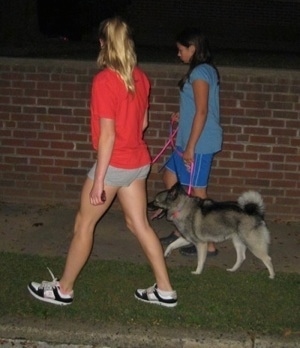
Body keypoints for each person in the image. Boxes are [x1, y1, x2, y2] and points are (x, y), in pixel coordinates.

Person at [27, 17, 177, 308]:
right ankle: (165, 290)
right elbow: (144, 122)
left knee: (84, 224)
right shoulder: (141, 77)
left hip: (114, 166)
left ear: (102, 44)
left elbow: (107, 136)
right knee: (139, 225)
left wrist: (99, 181)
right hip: (138, 163)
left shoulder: (105, 80)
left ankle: (64, 289)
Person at [150, 27, 223, 257]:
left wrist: (191, 148)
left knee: (198, 192)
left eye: (181, 50)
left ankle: (209, 244)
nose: (179, 54)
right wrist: (183, 115)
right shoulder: (201, 71)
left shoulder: (201, 72)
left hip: (198, 143)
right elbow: (198, 108)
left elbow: (202, 111)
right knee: (169, 177)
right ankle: (183, 231)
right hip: (187, 138)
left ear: (193, 49)